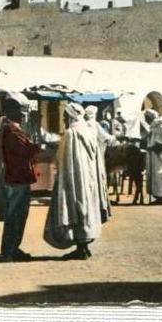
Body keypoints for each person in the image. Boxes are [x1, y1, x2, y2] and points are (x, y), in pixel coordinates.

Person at [43, 102, 104, 260]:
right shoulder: (88, 130)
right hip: (88, 176)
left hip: (75, 177)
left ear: (70, 116)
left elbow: (64, 157)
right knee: (85, 207)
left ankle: (81, 248)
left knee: (76, 206)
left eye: (64, 115)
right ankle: (84, 246)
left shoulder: (72, 133)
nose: (63, 118)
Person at [0, 94, 39, 261]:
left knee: (15, 215)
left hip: (15, 177)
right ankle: (11, 250)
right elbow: (29, 150)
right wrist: (35, 133)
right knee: (16, 216)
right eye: (20, 111)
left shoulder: (10, 128)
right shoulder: (12, 130)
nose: (23, 114)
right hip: (17, 178)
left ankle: (12, 248)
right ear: (12, 111)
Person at [84, 105, 112, 222]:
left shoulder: (83, 125)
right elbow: (106, 138)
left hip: (86, 159)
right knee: (99, 183)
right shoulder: (95, 125)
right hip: (96, 159)